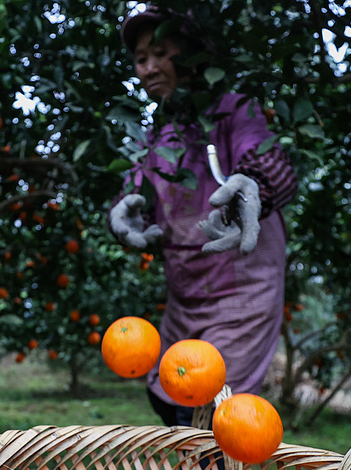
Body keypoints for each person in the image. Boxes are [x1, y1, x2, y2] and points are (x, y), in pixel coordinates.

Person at [109, 7, 298, 428]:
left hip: (243, 292)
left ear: (192, 55)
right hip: (186, 291)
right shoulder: (159, 134)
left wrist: (256, 185)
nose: (149, 67)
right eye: (141, 59)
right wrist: (120, 216)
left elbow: (267, 161)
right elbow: (136, 191)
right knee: (168, 394)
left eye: (161, 52)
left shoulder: (233, 112)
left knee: (217, 412)